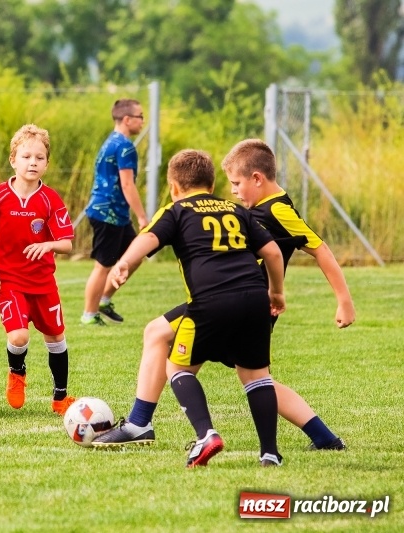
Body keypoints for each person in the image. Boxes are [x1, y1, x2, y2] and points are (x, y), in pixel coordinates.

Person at [93, 138, 353, 452]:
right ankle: (324, 437)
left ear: (257, 179)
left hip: (232, 299)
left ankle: (141, 424)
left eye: (237, 183)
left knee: (161, 337)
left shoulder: (278, 210)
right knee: (255, 379)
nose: (233, 191)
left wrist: (344, 300)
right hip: (249, 303)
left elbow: (319, 249)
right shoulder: (249, 211)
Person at [98, 148, 287, 468]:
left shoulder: (177, 210)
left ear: (174, 186)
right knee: (257, 377)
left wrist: (124, 264)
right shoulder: (236, 209)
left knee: (178, 368)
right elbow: (272, 252)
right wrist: (276, 293)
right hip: (255, 298)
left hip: (210, 302)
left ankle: (205, 435)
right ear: (212, 184)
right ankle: (270, 453)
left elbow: (147, 240)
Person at [0, 124, 77, 416]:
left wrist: (49, 246)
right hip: (8, 280)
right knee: (18, 337)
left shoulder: (50, 200)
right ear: (13, 160)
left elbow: (67, 243)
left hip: (43, 282)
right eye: (26, 156)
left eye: (40, 157)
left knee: (56, 338)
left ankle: (60, 398)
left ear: (47, 162)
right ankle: (17, 374)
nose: (33, 162)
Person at [81, 99, 150, 326]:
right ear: (127, 119)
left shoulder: (112, 142)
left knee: (136, 254)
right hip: (107, 214)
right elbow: (127, 185)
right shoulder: (125, 146)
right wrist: (141, 217)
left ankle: (104, 298)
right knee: (104, 264)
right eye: (140, 116)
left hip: (116, 215)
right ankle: (89, 315)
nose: (142, 120)